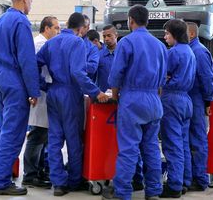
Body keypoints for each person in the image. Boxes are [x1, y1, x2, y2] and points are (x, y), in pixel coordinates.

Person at [37, 12, 109, 196]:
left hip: (53, 92)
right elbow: (78, 73)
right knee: (73, 139)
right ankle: (75, 180)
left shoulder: (51, 42)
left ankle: (58, 183)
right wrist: (96, 92)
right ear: (82, 28)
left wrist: (43, 85)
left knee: (54, 139)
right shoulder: (77, 43)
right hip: (70, 93)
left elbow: (35, 62)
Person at [102, 5, 167, 200]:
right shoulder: (160, 46)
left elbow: (116, 75)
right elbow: (163, 80)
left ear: (131, 20)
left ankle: (122, 192)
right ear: (147, 21)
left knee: (129, 148)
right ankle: (154, 191)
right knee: (152, 148)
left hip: (132, 100)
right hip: (154, 101)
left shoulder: (126, 42)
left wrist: (115, 96)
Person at [0, 0, 40, 196]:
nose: (31, 5)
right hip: (14, 80)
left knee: (0, 130)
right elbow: (27, 59)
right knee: (13, 132)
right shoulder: (20, 21)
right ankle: (1, 182)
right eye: (31, 1)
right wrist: (33, 90)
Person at [96, 25, 145, 190]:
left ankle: (136, 178)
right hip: (104, 106)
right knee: (109, 143)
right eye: (104, 36)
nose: (106, 39)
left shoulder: (126, 53)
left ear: (116, 35)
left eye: (109, 35)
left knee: (130, 144)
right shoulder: (99, 56)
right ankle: (106, 173)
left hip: (126, 103)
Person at [159, 19, 196, 198]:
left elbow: (161, 75)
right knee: (182, 144)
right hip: (186, 100)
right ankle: (184, 181)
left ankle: (173, 186)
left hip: (171, 99)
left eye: (167, 33)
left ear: (175, 34)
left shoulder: (173, 53)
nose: (165, 37)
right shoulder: (190, 51)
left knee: (172, 144)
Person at [22, 16, 60, 189]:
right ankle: (29, 175)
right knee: (37, 135)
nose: (58, 31)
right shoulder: (40, 44)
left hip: (45, 94)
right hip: (41, 95)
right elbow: (34, 68)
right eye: (56, 28)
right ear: (47, 28)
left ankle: (38, 171)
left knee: (43, 136)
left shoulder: (46, 43)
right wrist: (40, 86)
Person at [186, 22, 213, 192]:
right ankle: (191, 177)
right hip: (189, 98)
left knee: (197, 140)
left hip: (196, 99)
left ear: (190, 34)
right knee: (189, 141)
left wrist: (207, 101)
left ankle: (200, 179)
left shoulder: (199, 52)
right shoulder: (189, 50)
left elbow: (207, 79)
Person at [80, 15, 100, 79]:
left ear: (88, 28)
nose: (81, 29)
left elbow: (92, 68)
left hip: (82, 85)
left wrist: (75, 63)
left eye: (84, 27)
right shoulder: (67, 42)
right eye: (80, 26)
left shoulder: (92, 48)